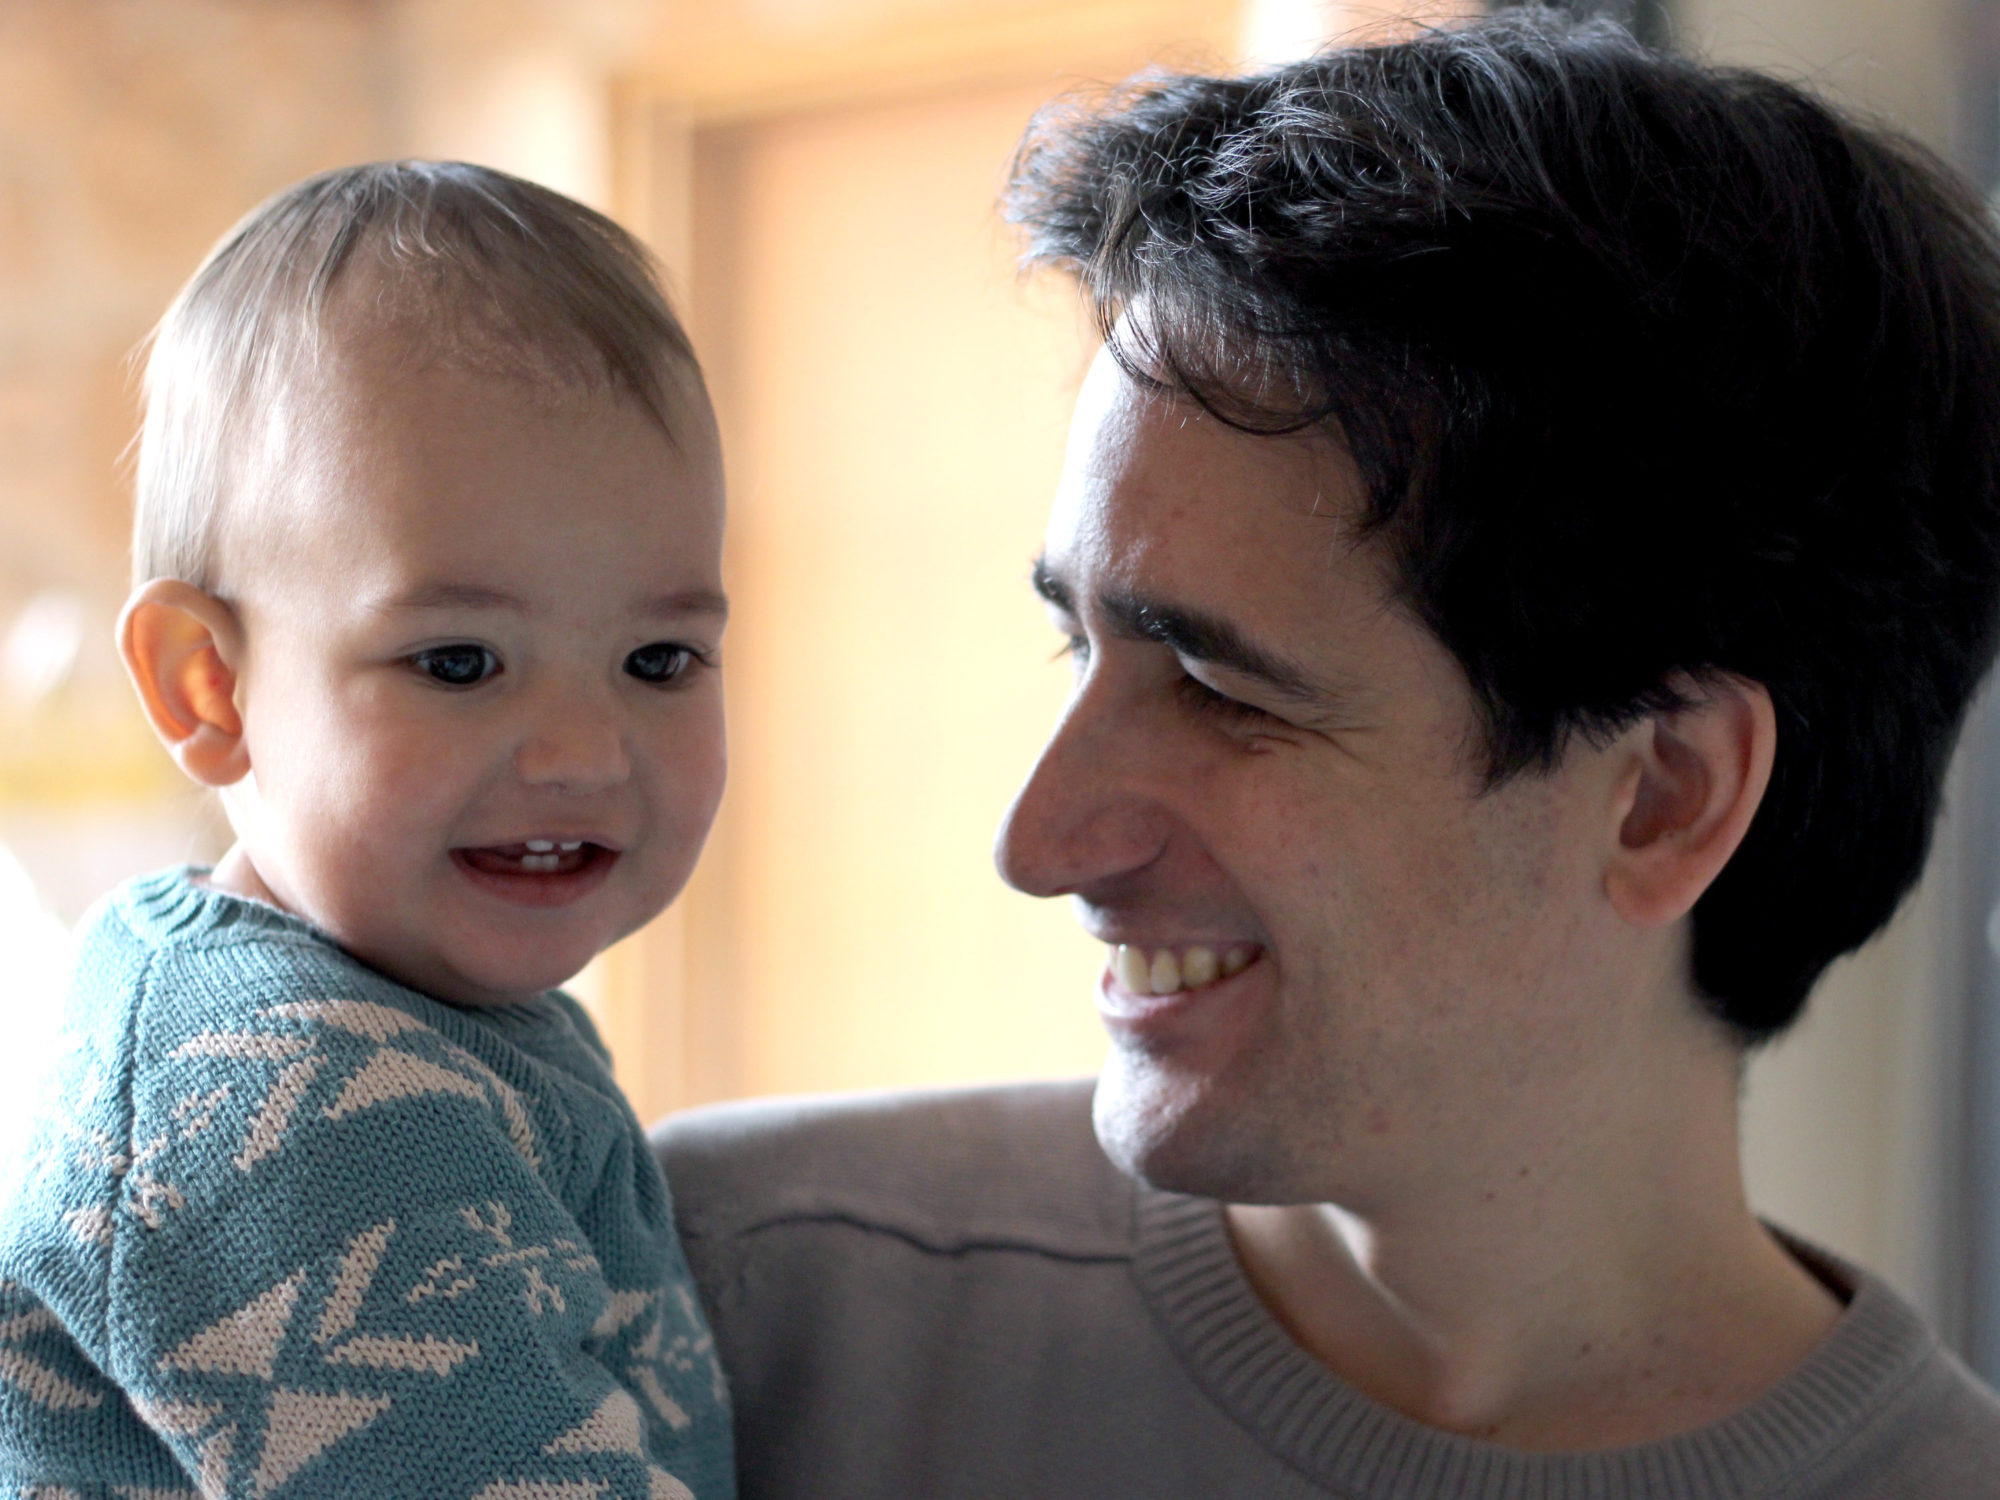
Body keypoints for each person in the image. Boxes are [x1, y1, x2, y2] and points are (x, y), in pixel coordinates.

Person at [655, 12, 2000, 1496]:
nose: (1038, 843)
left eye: (1219, 688)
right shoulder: (707, 1307)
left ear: (1663, 797)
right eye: (1077, 645)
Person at [0, 162, 734, 1499]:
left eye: (659, 660)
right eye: (458, 662)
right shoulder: (292, 1107)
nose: (583, 754)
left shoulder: (397, 1019)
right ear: (209, 688)